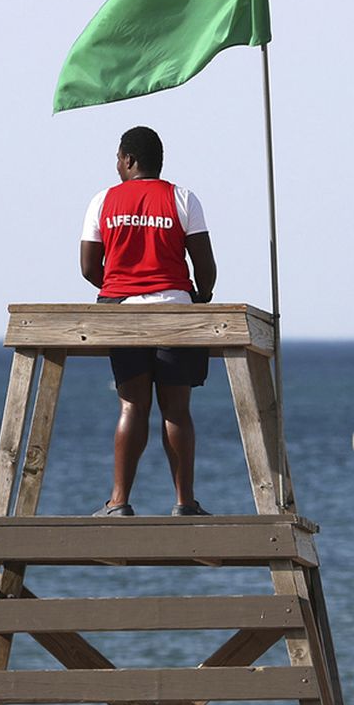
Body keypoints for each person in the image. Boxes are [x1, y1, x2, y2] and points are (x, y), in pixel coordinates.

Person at [78, 126, 217, 517]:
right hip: (174, 308)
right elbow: (204, 267)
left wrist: (121, 283)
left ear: (128, 160)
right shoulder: (182, 198)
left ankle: (118, 502)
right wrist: (199, 297)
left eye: (119, 159)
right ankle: (184, 503)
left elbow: (89, 266)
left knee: (132, 406)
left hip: (121, 310)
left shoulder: (103, 200)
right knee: (176, 410)